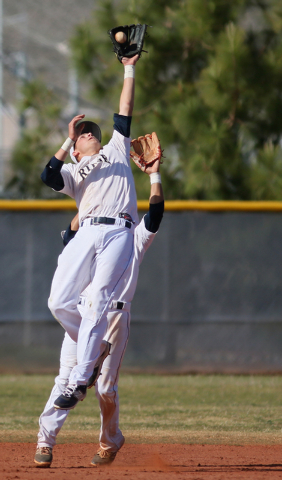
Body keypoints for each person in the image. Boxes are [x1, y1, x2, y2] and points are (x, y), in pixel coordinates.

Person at [35, 157, 164, 468]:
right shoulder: (89, 236)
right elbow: (68, 236)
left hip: (115, 319)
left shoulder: (133, 237)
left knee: (105, 388)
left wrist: (154, 174)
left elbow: (155, 214)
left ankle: (110, 441)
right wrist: (90, 201)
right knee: (65, 379)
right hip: (83, 317)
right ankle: (45, 441)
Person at [41, 55, 140, 411]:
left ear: (95, 139)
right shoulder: (72, 170)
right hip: (87, 232)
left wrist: (129, 67)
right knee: (59, 302)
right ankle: (95, 347)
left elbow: (125, 107)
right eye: (82, 135)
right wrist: (66, 143)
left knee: (97, 298)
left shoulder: (117, 149)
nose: (85, 136)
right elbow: (48, 177)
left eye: (86, 134)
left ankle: (81, 378)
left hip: (118, 232)